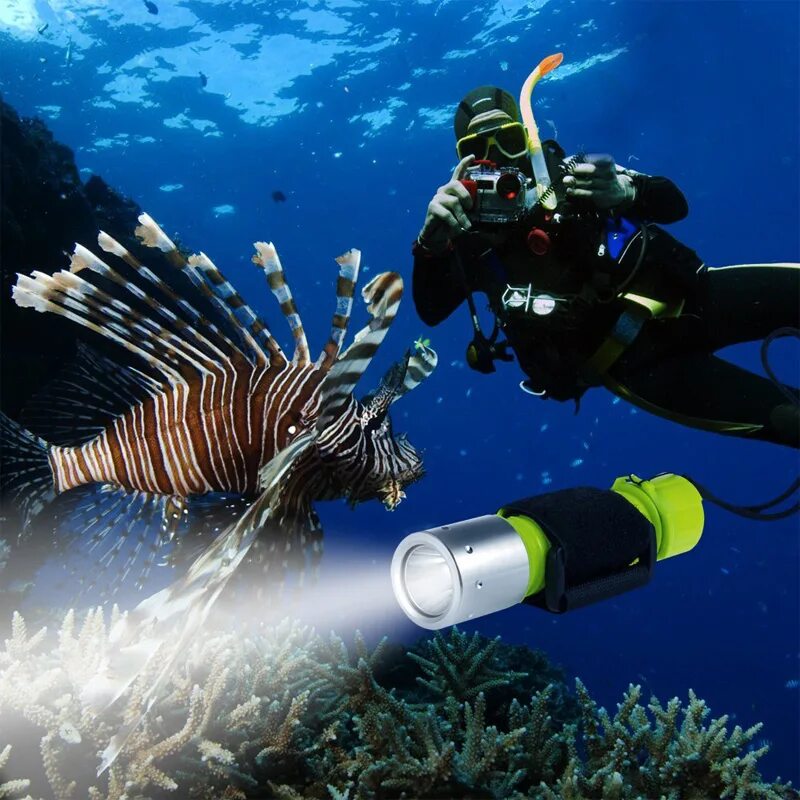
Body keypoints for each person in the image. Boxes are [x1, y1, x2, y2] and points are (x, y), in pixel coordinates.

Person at [412, 84, 800, 448]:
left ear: (527, 137)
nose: (498, 157)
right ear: (463, 161)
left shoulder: (573, 174)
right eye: (478, 148)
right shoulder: (465, 235)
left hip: (696, 294)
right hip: (637, 366)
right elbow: (430, 309)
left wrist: (626, 191)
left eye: (509, 140)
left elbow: (675, 204)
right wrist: (431, 243)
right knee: (789, 420)